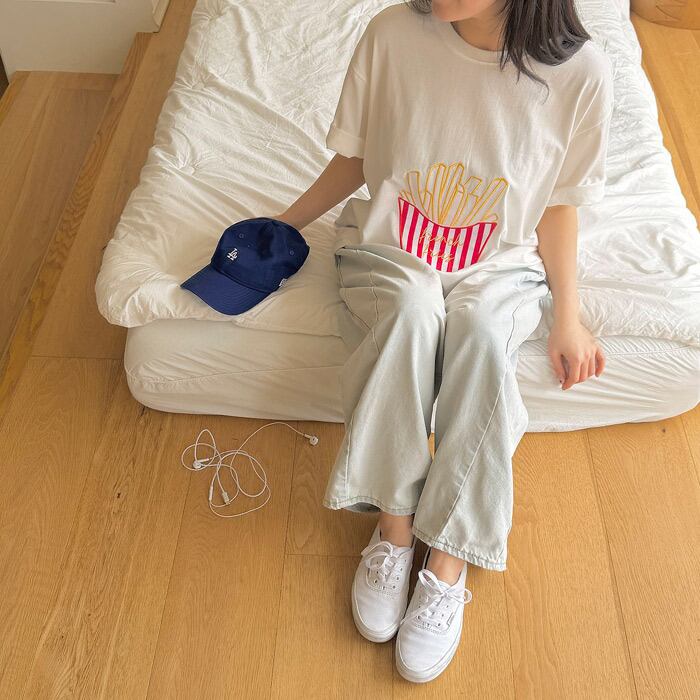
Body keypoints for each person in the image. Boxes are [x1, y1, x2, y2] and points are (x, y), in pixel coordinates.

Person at [272, 0, 612, 684]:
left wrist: (568, 314)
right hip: (390, 248)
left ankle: (449, 559)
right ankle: (395, 528)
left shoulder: (581, 74)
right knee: (409, 310)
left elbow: (557, 203)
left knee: (483, 333)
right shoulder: (393, 34)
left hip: (500, 263)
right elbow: (358, 158)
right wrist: (282, 225)